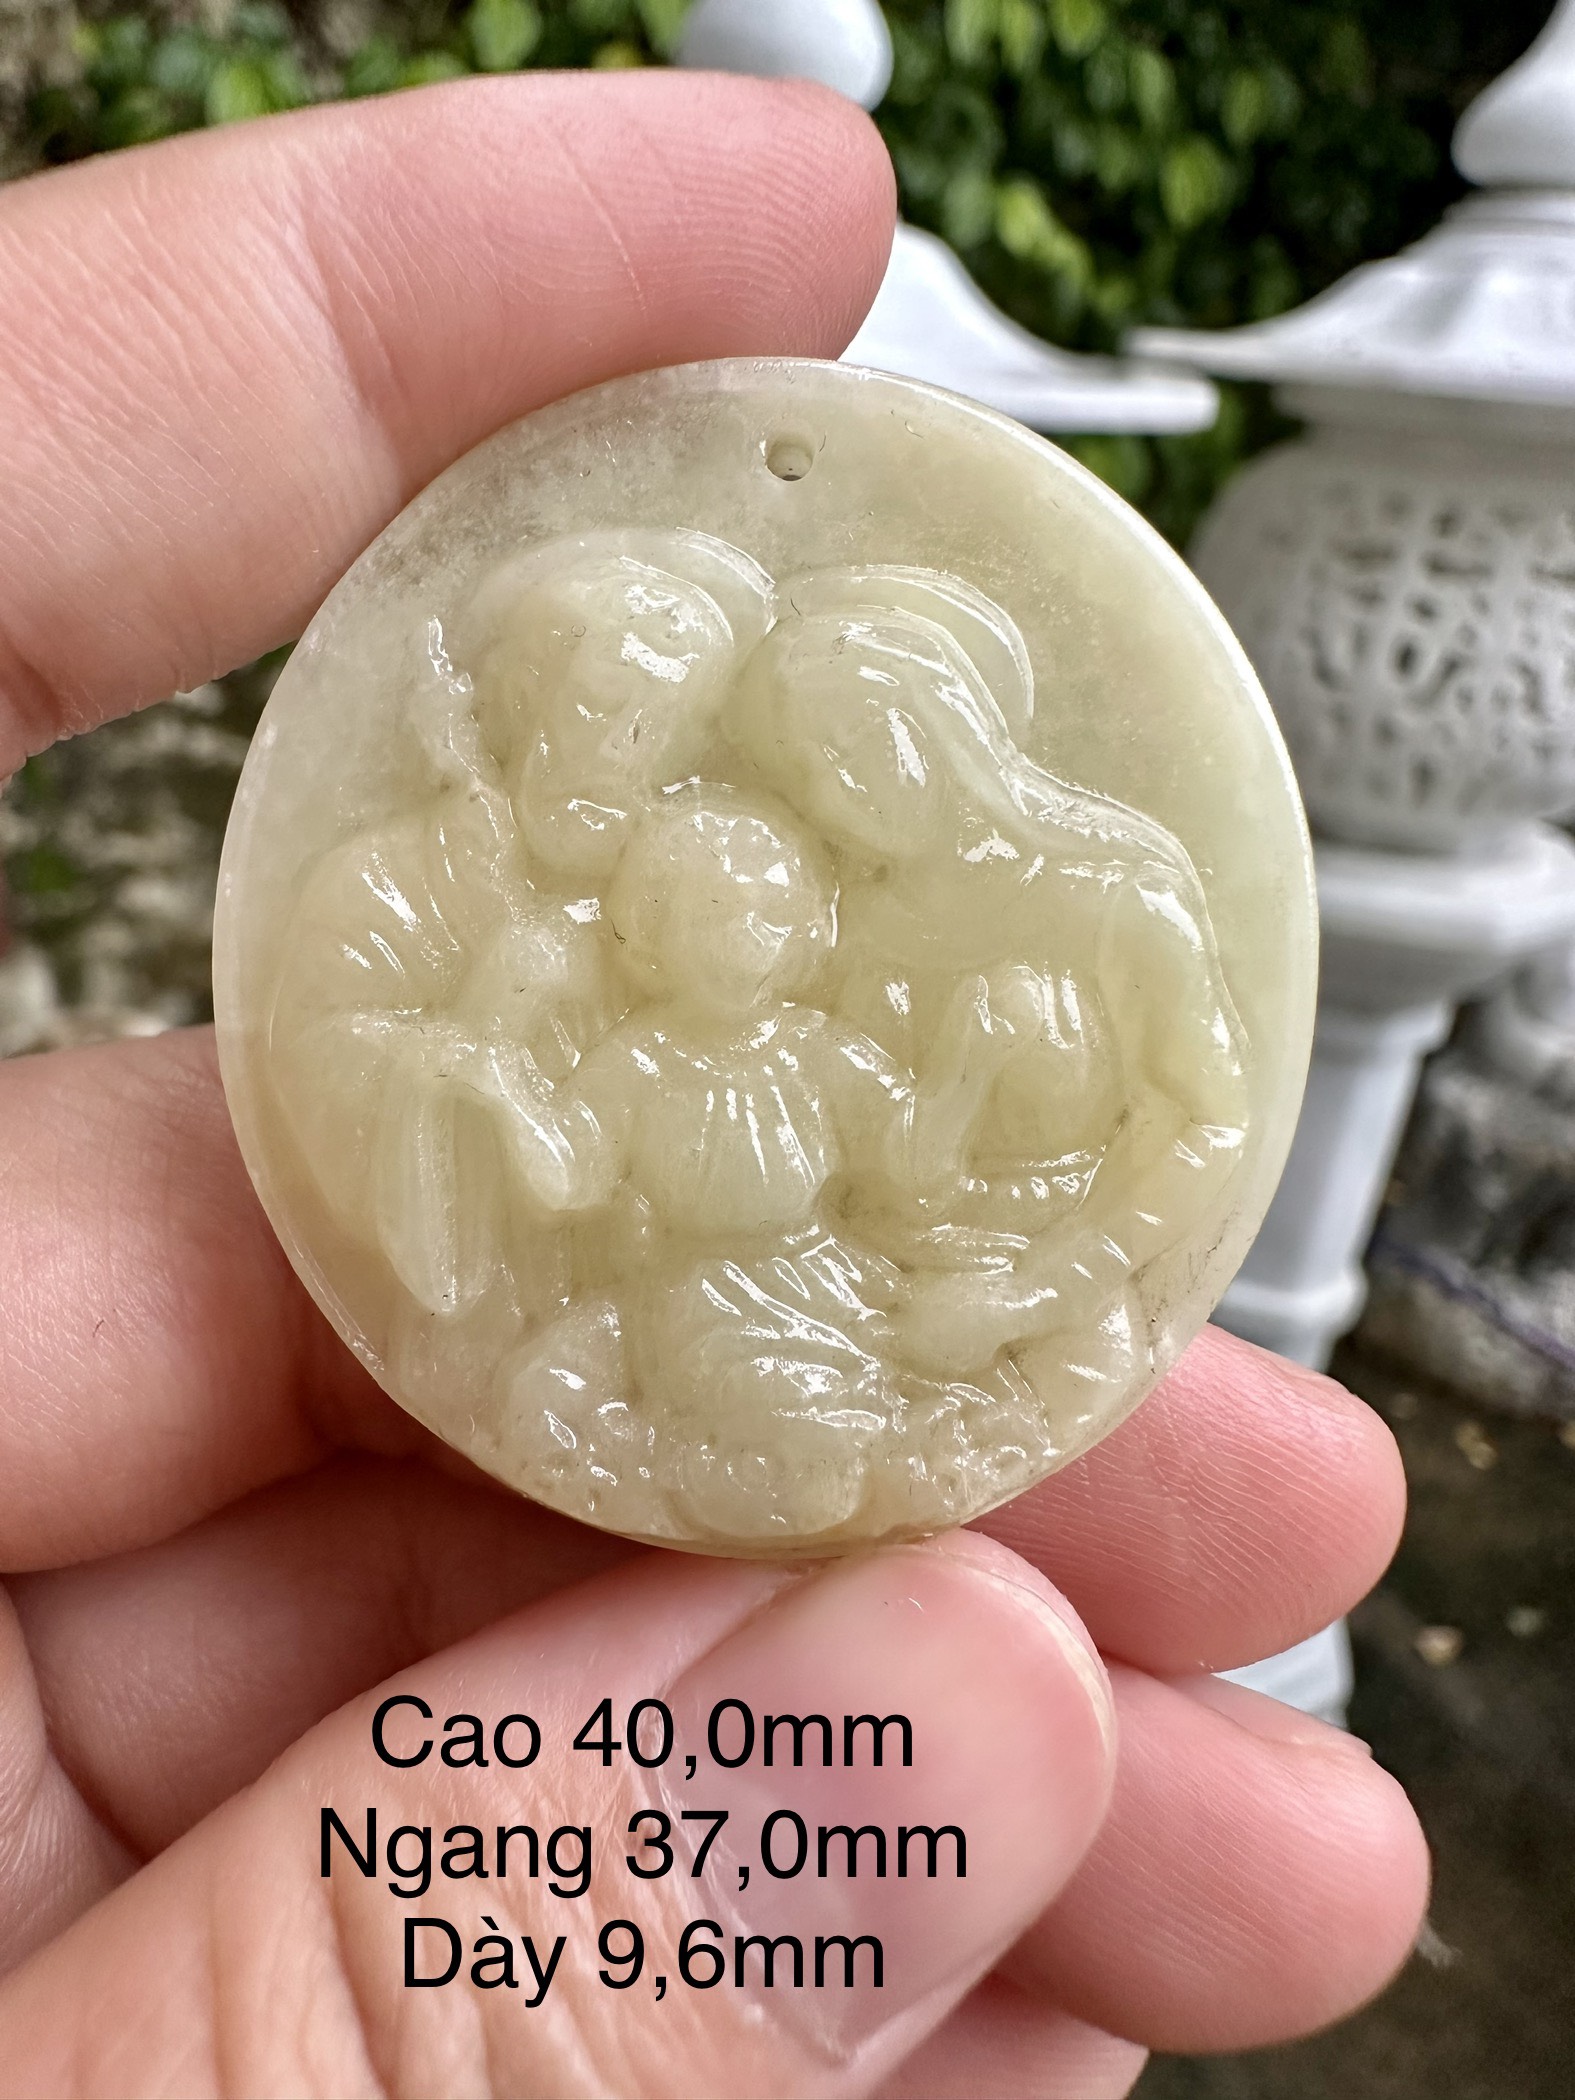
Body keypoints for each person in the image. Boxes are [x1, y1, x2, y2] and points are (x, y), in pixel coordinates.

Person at [0, 71, 1426, 2099]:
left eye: (705, 742)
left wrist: (1003, 1250)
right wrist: (497, 1086)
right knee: (713, 1402)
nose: (825, 808)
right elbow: (507, 1132)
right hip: (688, 1309)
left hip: (959, 1284)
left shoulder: (1084, 893)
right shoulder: (476, 906)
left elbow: (1029, 1134)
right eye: (783, 767)